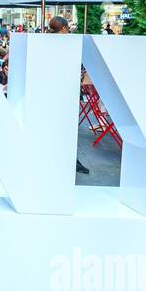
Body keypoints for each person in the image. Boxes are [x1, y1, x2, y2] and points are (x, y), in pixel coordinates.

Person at [46, 15, 90, 174]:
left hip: (51, 93)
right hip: (65, 93)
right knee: (66, 129)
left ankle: (62, 159)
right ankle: (69, 160)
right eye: (68, 29)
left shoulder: (45, 43)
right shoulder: (66, 45)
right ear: (64, 28)